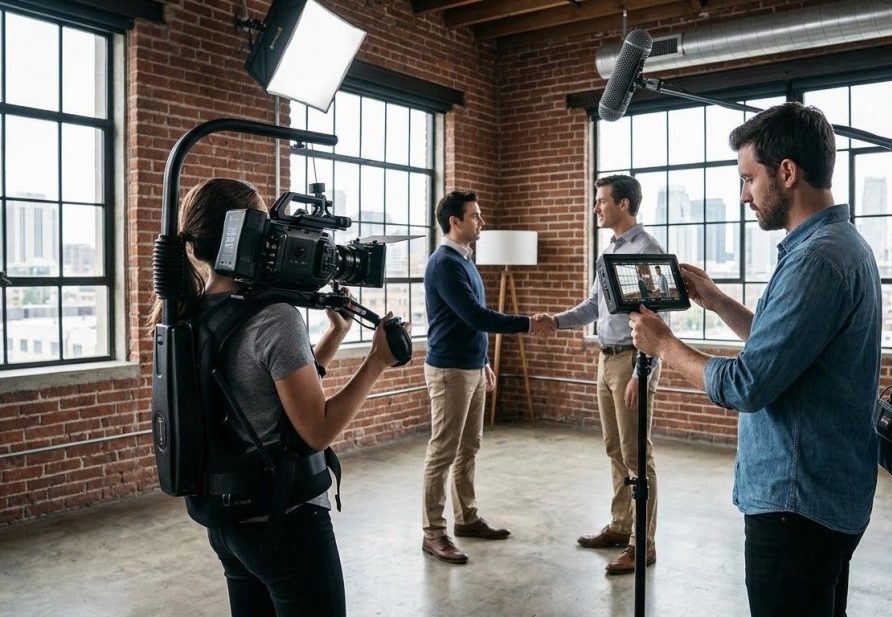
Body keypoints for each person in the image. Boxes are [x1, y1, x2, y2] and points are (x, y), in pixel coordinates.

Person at [629, 102, 881, 617]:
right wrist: (718, 301)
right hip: (827, 494)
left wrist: (664, 346)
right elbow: (787, 346)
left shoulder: (814, 261)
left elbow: (749, 383)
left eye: (748, 179)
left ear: (787, 173)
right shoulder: (840, 245)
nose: (743, 194)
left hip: (795, 502)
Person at [147, 178, 401, 617]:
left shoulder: (190, 312)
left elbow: (260, 391)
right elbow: (316, 429)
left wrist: (332, 337)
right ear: (248, 234)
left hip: (229, 522)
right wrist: (377, 360)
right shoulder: (275, 318)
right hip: (285, 522)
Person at [534, 174, 665, 575]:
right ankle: (621, 525)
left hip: (632, 361)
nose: (596, 208)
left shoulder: (646, 250)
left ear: (624, 205)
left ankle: (643, 544)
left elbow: (659, 319)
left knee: (636, 454)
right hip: (605, 359)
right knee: (614, 449)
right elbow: (595, 305)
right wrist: (555, 321)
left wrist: (642, 373)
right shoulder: (608, 251)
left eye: (602, 201)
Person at [421, 190, 553, 564]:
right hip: (449, 371)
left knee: (469, 448)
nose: (482, 221)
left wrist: (483, 362)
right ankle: (433, 533)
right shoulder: (444, 263)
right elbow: (477, 317)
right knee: (442, 453)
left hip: (470, 366)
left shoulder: (464, 259)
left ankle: (467, 518)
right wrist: (529, 323)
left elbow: (470, 320)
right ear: (455, 222)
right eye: (476, 216)